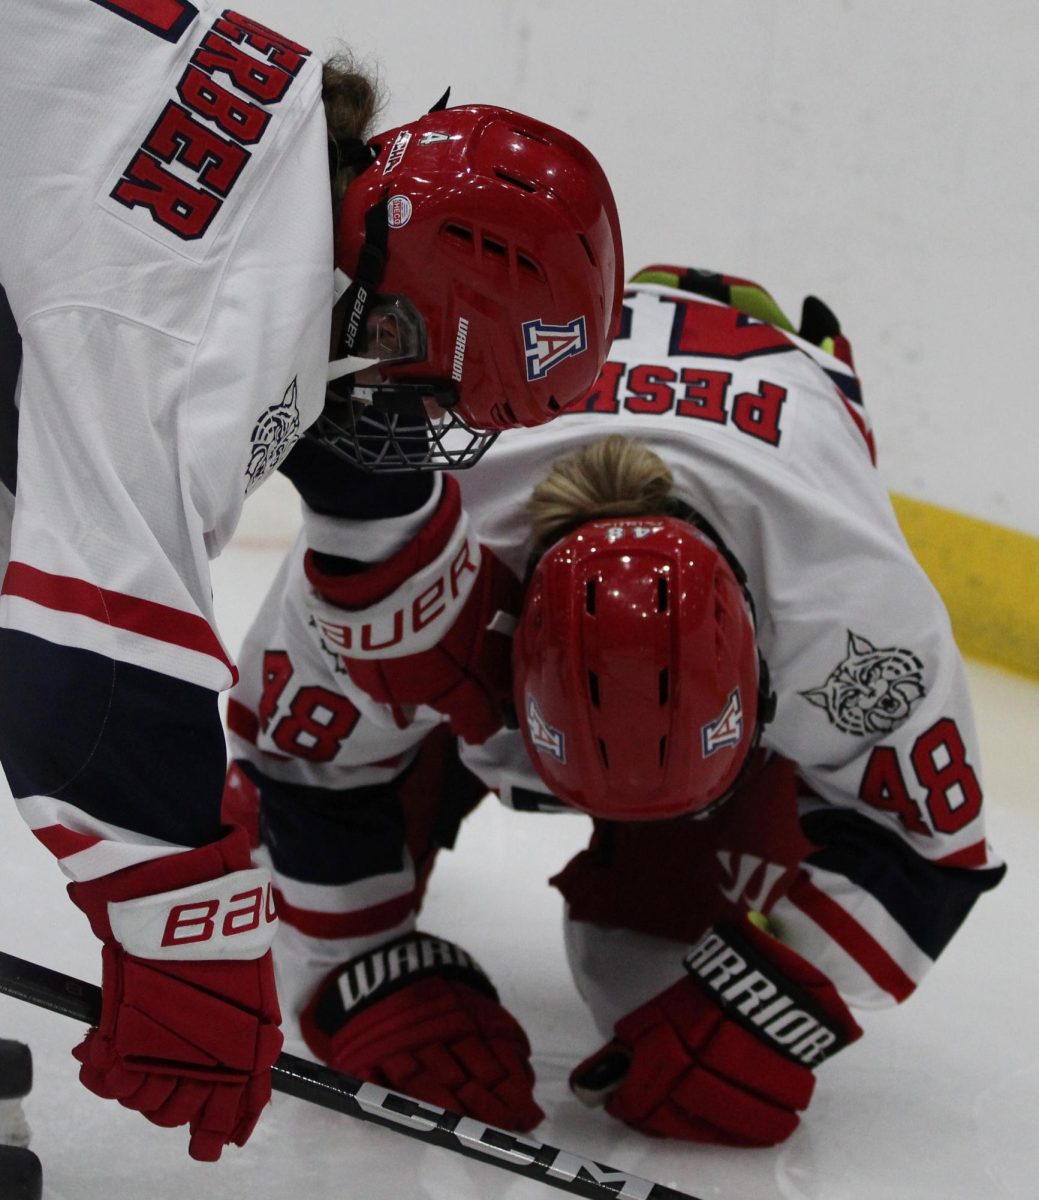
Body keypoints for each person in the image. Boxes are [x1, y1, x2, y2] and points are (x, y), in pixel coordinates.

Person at [0, 0, 623, 1162]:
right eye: (429, 399)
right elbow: (82, 669)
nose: (415, 428)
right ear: (388, 316)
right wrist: (193, 933)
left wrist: (402, 567)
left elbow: (319, 377)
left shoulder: (293, 132)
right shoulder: (170, 333)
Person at [223, 262, 1005, 1146]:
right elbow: (286, 766)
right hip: (527, 554)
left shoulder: (847, 608)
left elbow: (930, 845)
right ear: (490, 640)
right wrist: (356, 968)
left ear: (774, 667)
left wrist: (773, 1005)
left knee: (642, 971)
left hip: (728, 445)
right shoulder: (413, 554)